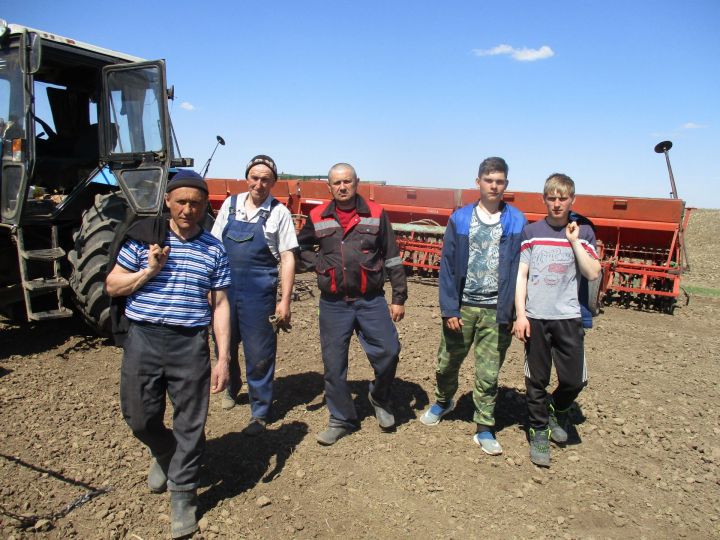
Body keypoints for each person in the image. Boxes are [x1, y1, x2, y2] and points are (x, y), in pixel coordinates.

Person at [105, 170, 231, 539]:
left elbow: (220, 305)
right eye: (181, 202)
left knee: (191, 423)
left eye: (195, 203)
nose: (188, 209)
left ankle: (183, 495)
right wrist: (148, 271)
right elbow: (113, 286)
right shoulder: (144, 240)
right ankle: (165, 451)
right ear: (167, 203)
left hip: (190, 343)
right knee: (139, 417)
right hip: (144, 338)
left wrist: (222, 358)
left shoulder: (214, 249)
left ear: (205, 205)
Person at [419, 157, 527, 456]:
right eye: (489, 180)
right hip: (463, 307)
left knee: (488, 374)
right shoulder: (461, 219)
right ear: (478, 182)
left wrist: (516, 312)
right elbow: (448, 267)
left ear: (506, 184)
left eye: (500, 181)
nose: (494, 186)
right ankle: (443, 401)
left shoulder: (517, 220)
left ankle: (484, 427)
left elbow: (521, 269)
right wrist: (449, 309)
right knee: (446, 362)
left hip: (497, 310)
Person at [297, 163, 407, 445]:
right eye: (337, 183)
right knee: (333, 365)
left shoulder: (376, 213)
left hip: (371, 300)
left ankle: (380, 397)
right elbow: (302, 248)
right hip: (334, 304)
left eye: (347, 181)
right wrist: (319, 264)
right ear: (329, 187)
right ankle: (341, 418)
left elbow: (392, 256)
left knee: (389, 351)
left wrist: (398, 296)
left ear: (357, 182)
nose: (342, 187)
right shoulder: (318, 215)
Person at [514, 173, 601, 467]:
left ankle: (558, 408)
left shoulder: (584, 232)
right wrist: (521, 315)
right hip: (536, 318)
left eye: (562, 198)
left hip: (568, 317)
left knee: (575, 379)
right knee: (536, 380)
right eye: (551, 198)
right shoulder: (531, 232)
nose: (557, 203)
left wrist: (574, 241)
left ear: (572, 200)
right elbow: (522, 275)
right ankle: (539, 429)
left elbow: (592, 273)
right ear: (544, 200)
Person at [211, 155, 298, 435]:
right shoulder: (230, 205)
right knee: (224, 341)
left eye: (265, 179)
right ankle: (232, 386)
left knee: (259, 350)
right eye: (254, 178)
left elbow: (287, 257)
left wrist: (284, 300)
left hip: (259, 292)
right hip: (225, 289)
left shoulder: (279, 213)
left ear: (273, 183)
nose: (259, 184)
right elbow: (214, 245)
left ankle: (259, 410)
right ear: (247, 178)